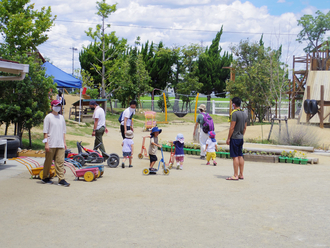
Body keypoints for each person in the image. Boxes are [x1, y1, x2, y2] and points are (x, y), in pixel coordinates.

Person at [41, 100, 70, 187]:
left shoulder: (61, 118)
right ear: (52, 106)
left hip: (60, 143)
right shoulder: (48, 117)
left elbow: (63, 131)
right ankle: (45, 177)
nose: (58, 107)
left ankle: (61, 179)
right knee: (48, 161)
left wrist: (64, 142)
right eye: (56, 105)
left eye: (59, 105)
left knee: (60, 162)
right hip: (51, 143)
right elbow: (45, 131)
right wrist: (46, 143)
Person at [226, 97, 248, 180]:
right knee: (240, 155)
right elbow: (245, 127)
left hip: (234, 138)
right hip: (240, 137)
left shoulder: (234, 113)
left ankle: (235, 175)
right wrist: (242, 135)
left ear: (234, 104)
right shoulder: (244, 113)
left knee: (235, 156)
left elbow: (232, 127)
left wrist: (228, 138)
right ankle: (241, 174)